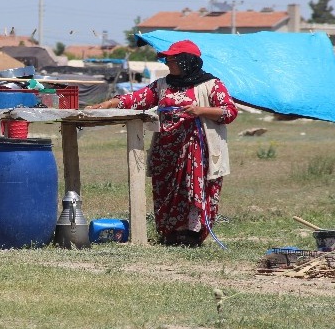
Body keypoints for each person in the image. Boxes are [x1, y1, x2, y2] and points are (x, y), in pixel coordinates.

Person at [86, 40, 238, 247]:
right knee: (167, 191)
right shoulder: (163, 85)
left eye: (173, 59)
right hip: (166, 150)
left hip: (196, 148)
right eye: (167, 59)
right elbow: (136, 99)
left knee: (192, 189)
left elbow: (229, 112)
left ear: (186, 61)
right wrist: (105, 105)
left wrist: (200, 111)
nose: (168, 63)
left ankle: (191, 234)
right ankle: (170, 233)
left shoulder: (211, 85)